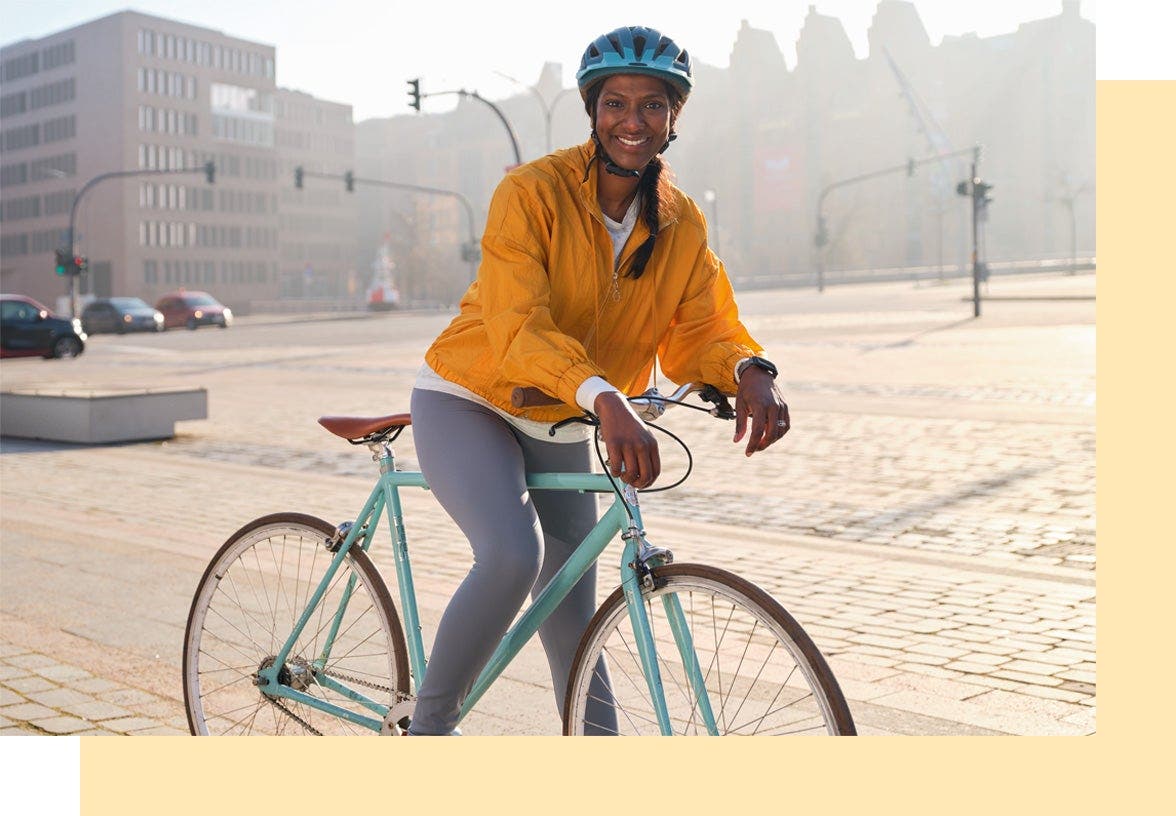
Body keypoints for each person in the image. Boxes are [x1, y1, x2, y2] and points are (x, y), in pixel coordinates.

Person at [406, 25, 789, 735]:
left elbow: (703, 325)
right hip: (469, 397)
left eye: (652, 105)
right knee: (512, 554)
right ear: (593, 110)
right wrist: (606, 396)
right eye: (616, 103)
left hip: (564, 411)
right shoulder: (530, 193)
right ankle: (426, 734)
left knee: (571, 599)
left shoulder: (680, 222)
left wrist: (748, 369)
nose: (632, 121)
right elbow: (516, 324)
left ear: (674, 116)